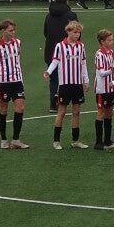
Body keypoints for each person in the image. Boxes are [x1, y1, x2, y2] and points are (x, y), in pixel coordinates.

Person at [45, 20, 89, 149]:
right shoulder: (60, 46)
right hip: (65, 84)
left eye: (79, 32)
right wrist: (48, 72)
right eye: (75, 32)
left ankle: (75, 140)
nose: (77, 35)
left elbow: (83, 64)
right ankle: (56, 141)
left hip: (77, 84)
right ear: (68, 32)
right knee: (62, 112)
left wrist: (86, 80)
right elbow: (55, 61)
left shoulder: (81, 46)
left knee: (76, 112)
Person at [0, 19, 30, 150]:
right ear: (3, 30)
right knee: (4, 109)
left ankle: (16, 140)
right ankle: (3, 139)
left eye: (14, 30)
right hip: (3, 82)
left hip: (16, 81)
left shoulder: (17, 43)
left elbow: (18, 62)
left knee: (20, 108)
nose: (13, 33)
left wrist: (21, 80)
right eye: (10, 30)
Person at [44, 0, 74, 110]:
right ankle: (63, 100)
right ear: (66, 1)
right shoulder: (71, 15)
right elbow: (76, 32)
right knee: (66, 77)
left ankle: (53, 103)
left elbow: (45, 32)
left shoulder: (49, 15)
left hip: (50, 50)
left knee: (54, 78)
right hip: (67, 51)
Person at [92, 29, 114, 150]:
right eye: (109, 40)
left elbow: (112, 71)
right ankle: (98, 141)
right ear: (102, 41)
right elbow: (101, 73)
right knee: (101, 112)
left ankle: (107, 139)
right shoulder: (99, 54)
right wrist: (111, 70)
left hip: (110, 87)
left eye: (112, 40)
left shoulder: (111, 52)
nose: (111, 42)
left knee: (109, 112)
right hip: (102, 88)